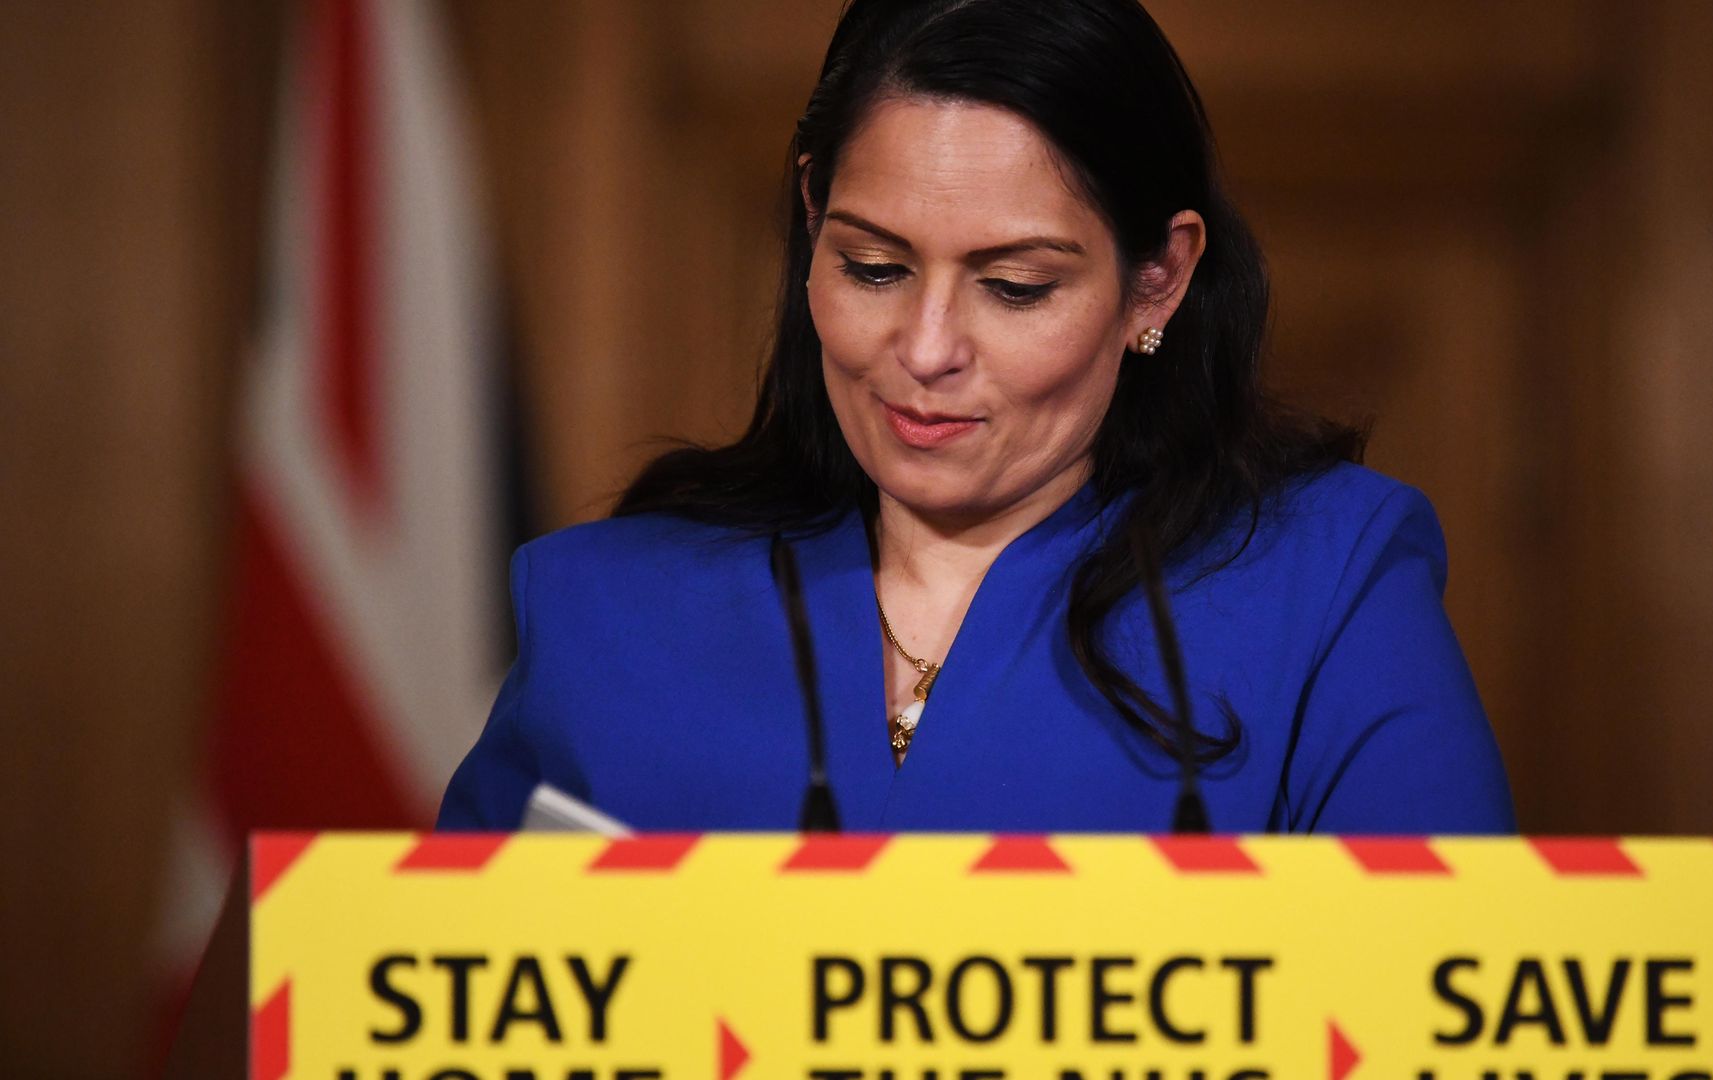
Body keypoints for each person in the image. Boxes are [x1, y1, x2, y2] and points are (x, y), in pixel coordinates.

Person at [436, 0, 1513, 835]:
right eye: (873, 266)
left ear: (1158, 280)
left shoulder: (1326, 592)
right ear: (812, 218)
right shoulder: (610, 613)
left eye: (1015, 287)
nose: (926, 348)